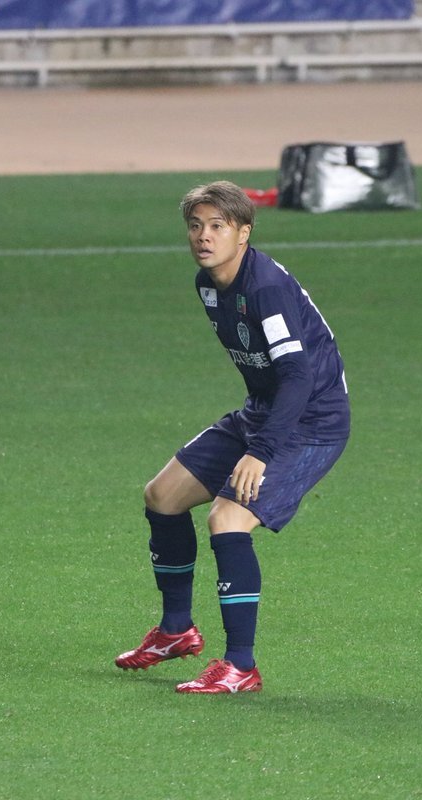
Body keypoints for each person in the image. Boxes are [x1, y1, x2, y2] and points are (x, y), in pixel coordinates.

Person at [115, 181, 351, 694]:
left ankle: (240, 666)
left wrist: (260, 452)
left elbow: (298, 377)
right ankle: (176, 630)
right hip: (263, 413)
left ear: (243, 233)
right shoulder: (208, 284)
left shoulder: (264, 288)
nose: (204, 236)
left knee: (227, 518)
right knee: (162, 496)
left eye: (218, 226)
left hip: (312, 423)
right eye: (196, 226)